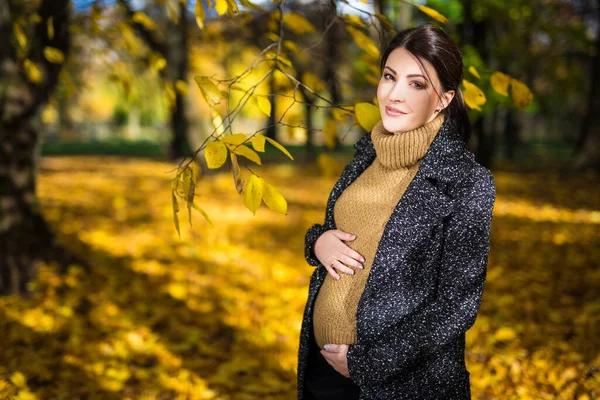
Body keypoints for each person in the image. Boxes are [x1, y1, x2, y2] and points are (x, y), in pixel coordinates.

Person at [297, 23, 496, 400]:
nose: (395, 93)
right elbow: (339, 230)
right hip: (324, 373)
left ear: (444, 99)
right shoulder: (365, 156)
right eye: (390, 77)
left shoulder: (467, 181)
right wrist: (318, 241)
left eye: (416, 84)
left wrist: (368, 362)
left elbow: (457, 305)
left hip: (402, 385)